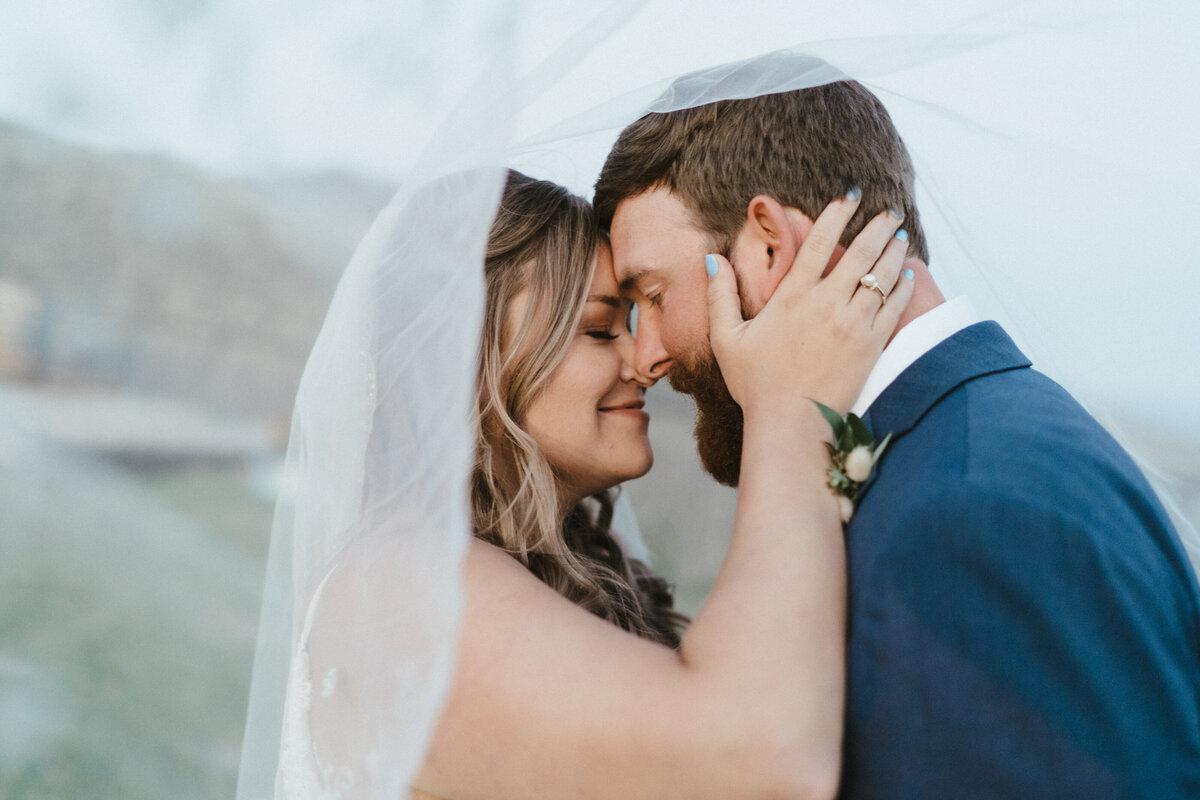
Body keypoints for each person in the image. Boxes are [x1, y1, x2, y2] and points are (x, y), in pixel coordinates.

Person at [593, 79, 1200, 798]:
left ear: (764, 246)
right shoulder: (973, 442)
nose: (647, 356)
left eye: (653, 299)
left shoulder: (969, 513)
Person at [273, 168, 913, 800]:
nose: (644, 362)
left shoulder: (568, 569)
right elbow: (762, 768)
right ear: (467, 360)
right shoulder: (399, 588)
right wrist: (792, 407)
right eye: (601, 328)